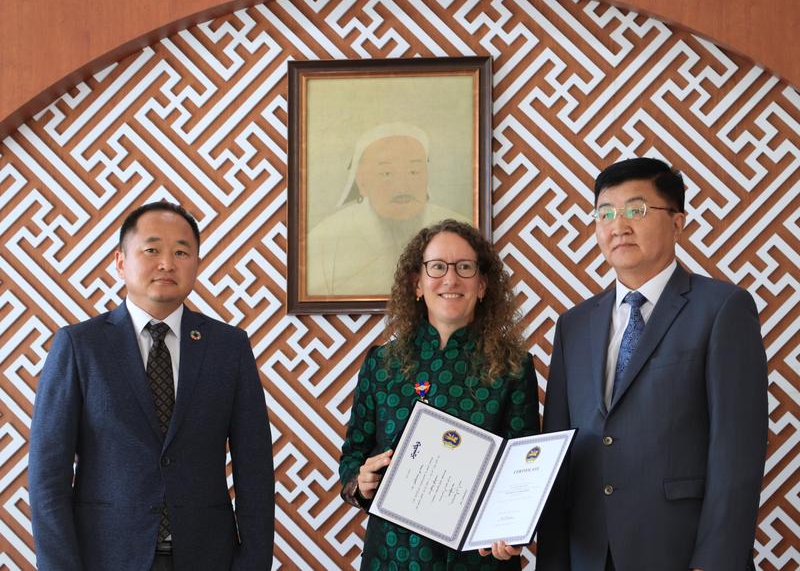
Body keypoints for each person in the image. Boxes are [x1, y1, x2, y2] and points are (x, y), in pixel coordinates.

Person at [534, 158, 768, 571]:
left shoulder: (723, 308)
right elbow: (559, 451)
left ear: (677, 223)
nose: (618, 225)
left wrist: (713, 563)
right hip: (589, 553)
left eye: (636, 210)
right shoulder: (575, 324)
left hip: (680, 552)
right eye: (605, 213)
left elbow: (737, 452)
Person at [28, 201, 275, 571]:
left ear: (197, 264)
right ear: (120, 262)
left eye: (181, 252)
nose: (167, 263)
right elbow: (48, 474)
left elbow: (255, 469)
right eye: (152, 249)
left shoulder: (228, 347)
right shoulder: (80, 346)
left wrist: (252, 563)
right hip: (105, 555)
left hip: (208, 555)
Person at [339, 219, 539, 570]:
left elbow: (524, 466)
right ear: (417, 283)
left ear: (482, 285)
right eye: (437, 267)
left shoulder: (513, 367)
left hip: (478, 559)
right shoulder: (381, 364)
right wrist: (361, 480)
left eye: (465, 267)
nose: (450, 279)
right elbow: (352, 456)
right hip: (394, 555)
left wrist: (513, 532)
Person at [307, 122, 470, 296]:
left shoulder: (461, 231)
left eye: (414, 172)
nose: (402, 188)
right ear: (361, 182)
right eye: (386, 174)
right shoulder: (325, 241)